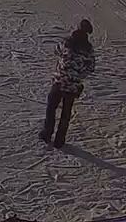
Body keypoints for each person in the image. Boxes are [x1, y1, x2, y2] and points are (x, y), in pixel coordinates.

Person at [41, 19, 95, 148]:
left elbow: (56, 51)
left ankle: (47, 134)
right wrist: (78, 77)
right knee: (66, 112)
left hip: (60, 81)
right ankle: (60, 140)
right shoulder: (88, 49)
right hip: (73, 85)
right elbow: (91, 68)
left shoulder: (67, 42)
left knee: (51, 107)